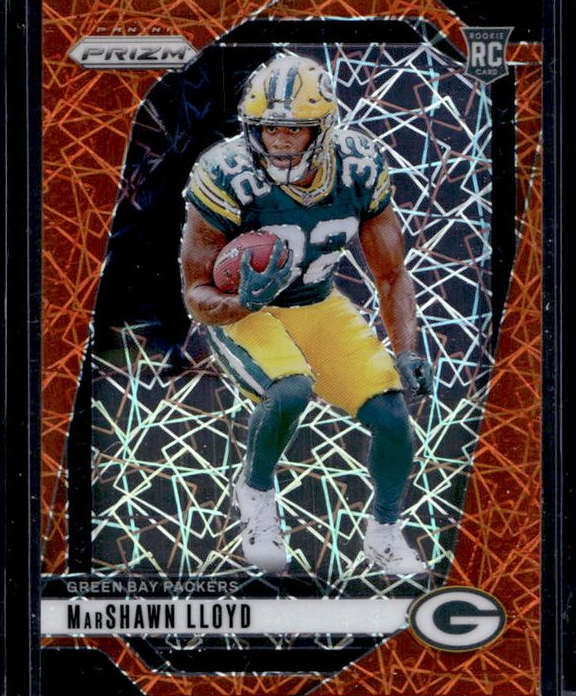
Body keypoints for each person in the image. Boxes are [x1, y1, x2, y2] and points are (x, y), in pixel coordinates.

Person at [180, 54, 432, 575]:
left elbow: (391, 273)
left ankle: (384, 532)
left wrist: (407, 350)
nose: (279, 141)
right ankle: (255, 496)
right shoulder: (224, 172)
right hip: (246, 311)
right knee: (290, 389)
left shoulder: (359, 166)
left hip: (315, 302)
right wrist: (243, 302)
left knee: (392, 417)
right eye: (269, 127)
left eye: (293, 129)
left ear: (322, 129)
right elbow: (195, 293)